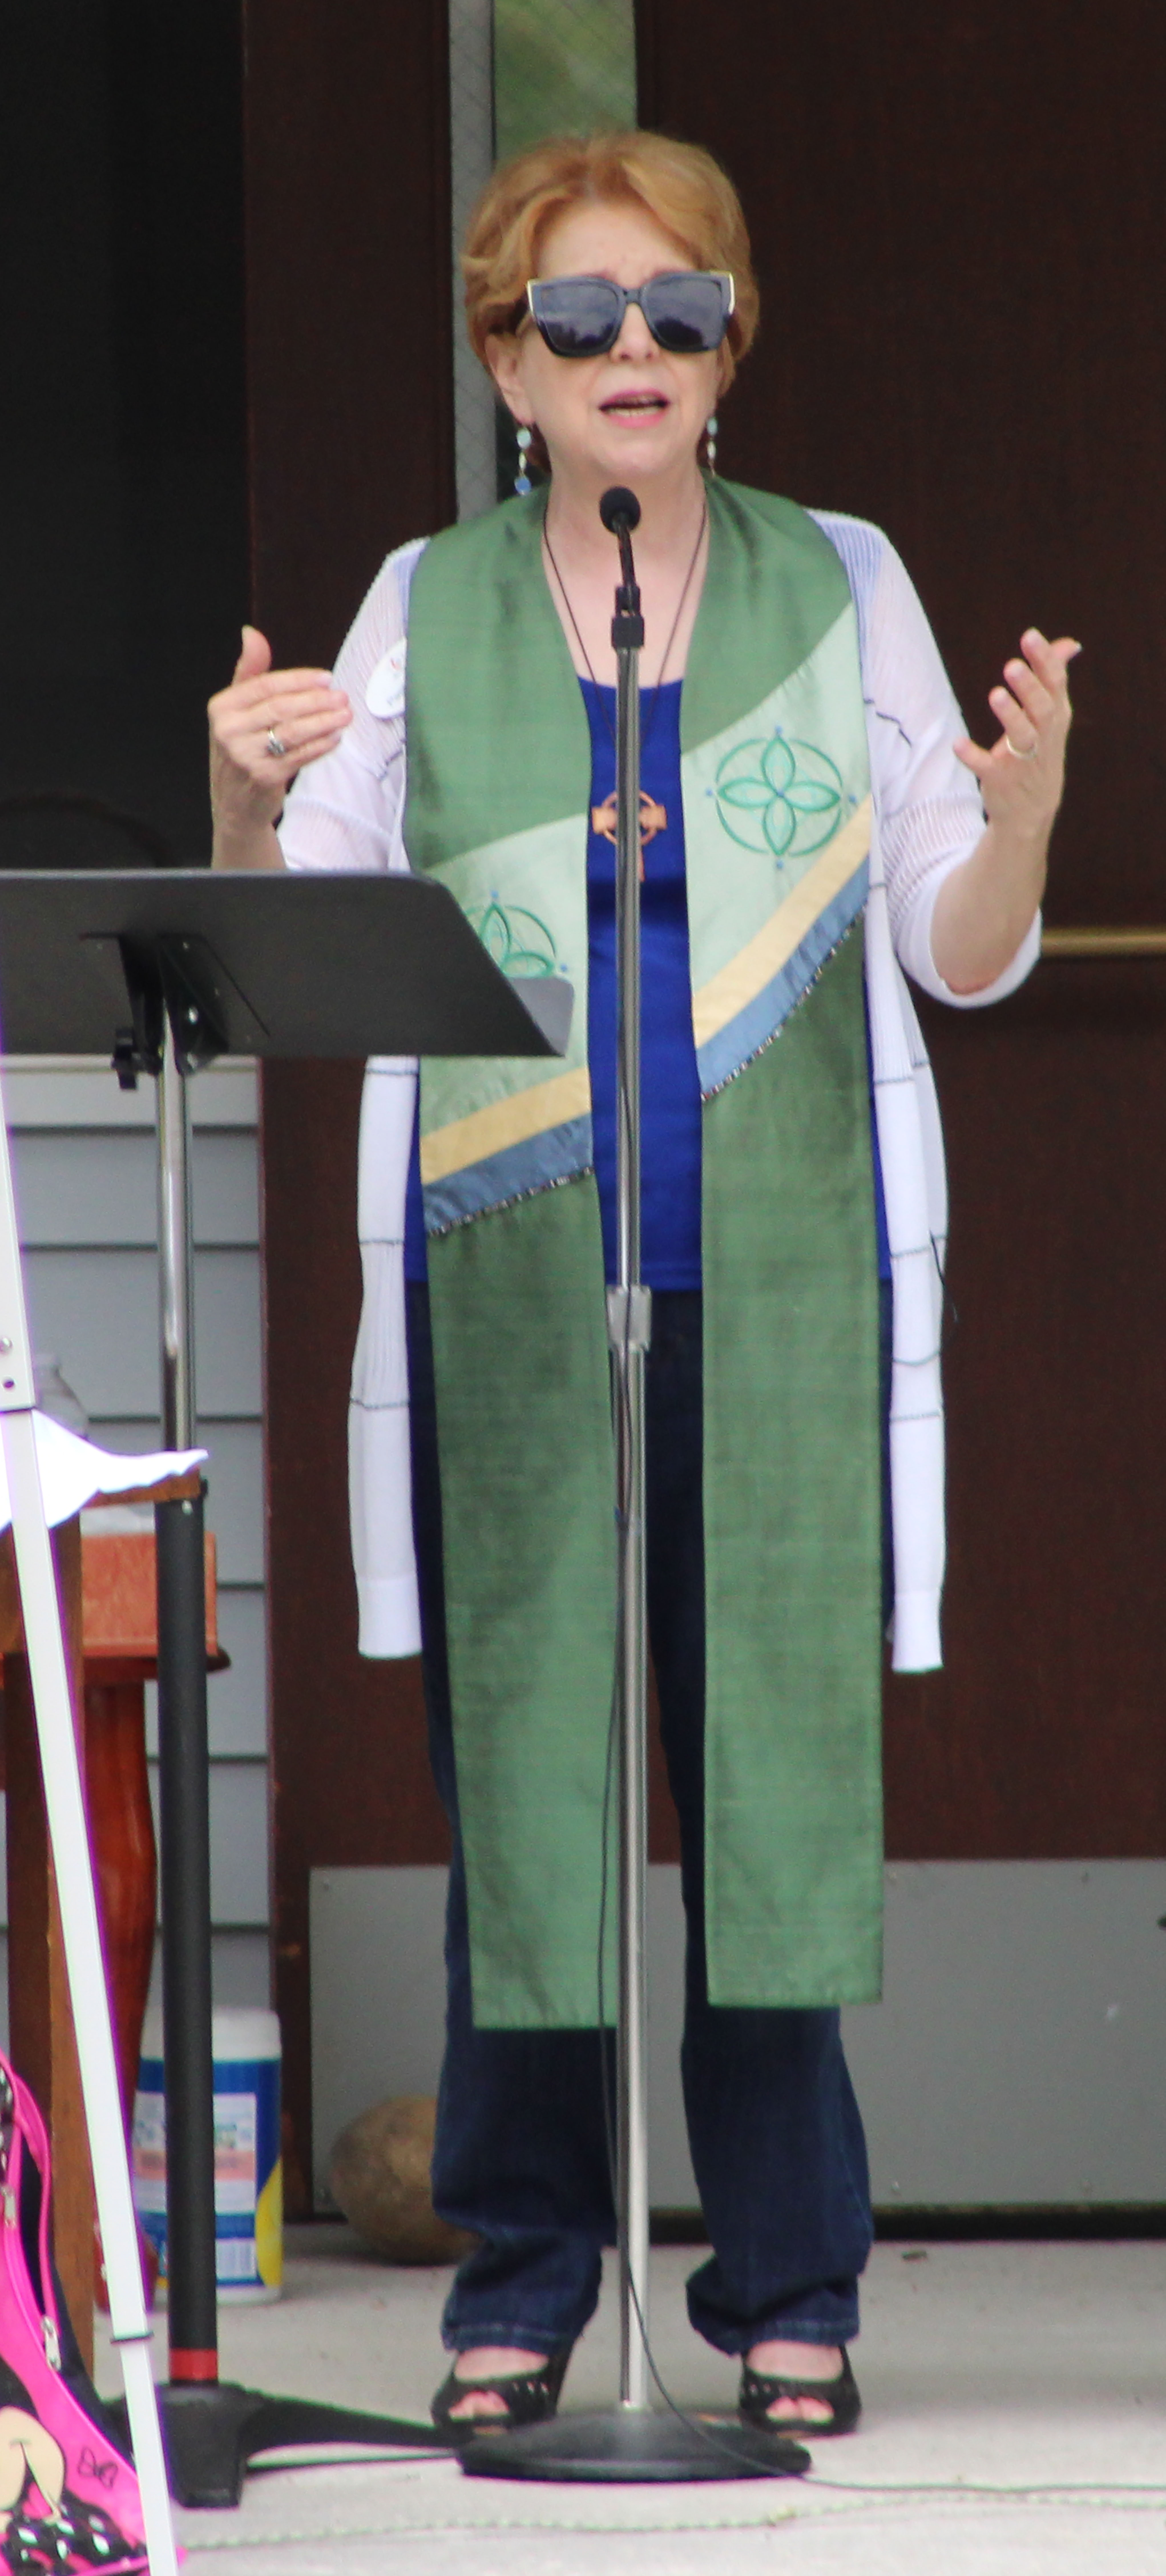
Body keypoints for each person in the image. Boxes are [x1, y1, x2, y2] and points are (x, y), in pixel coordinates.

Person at [209, 130, 1077, 2438]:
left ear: (730, 350)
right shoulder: (431, 597)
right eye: (577, 315)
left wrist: (1027, 814)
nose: (629, 352)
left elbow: (955, 956)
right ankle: (520, 2281)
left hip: (769, 1292)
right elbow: (294, 940)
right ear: (506, 355)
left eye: (675, 311)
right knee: (535, 1792)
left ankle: (789, 2285)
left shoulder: (841, 583)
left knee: (765, 1786)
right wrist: (232, 798)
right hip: (516, 1286)